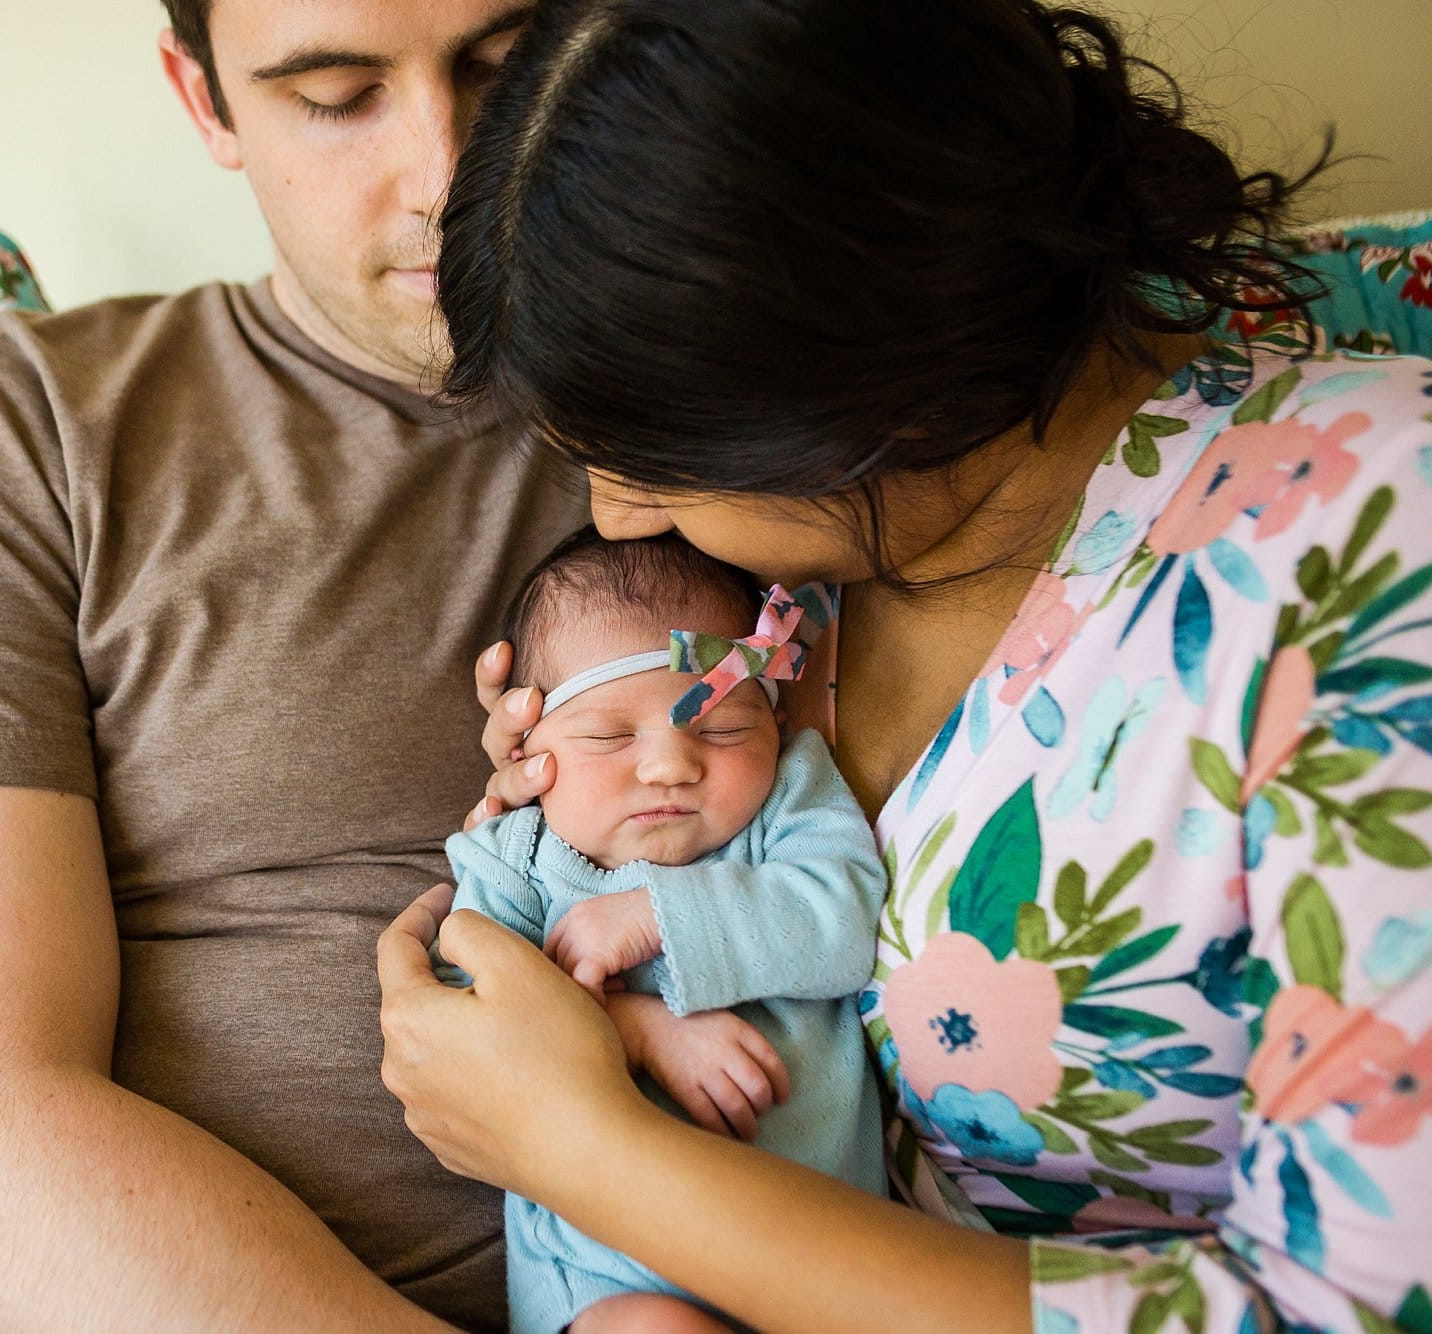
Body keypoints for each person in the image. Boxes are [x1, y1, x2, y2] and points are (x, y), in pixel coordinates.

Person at [377, 1, 1432, 1331]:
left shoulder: (1373, 545)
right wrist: (581, 791)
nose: (622, 516)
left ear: (872, 384)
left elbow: (1356, 1309)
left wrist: (580, 1145)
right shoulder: (785, 592)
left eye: (658, 459)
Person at [0, 2, 588, 1330]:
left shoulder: (773, 434)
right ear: (205, 99)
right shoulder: (21, 436)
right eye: (336, 94)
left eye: (508, 68)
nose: (451, 174)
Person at [431, 529, 887, 1332]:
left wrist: (654, 918)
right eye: (610, 736)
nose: (671, 765)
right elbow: (469, 1032)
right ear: (527, 750)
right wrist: (634, 1029)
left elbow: (844, 920)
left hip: (837, 1270)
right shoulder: (517, 858)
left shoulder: (787, 803)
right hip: (611, 1280)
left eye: (721, 728)